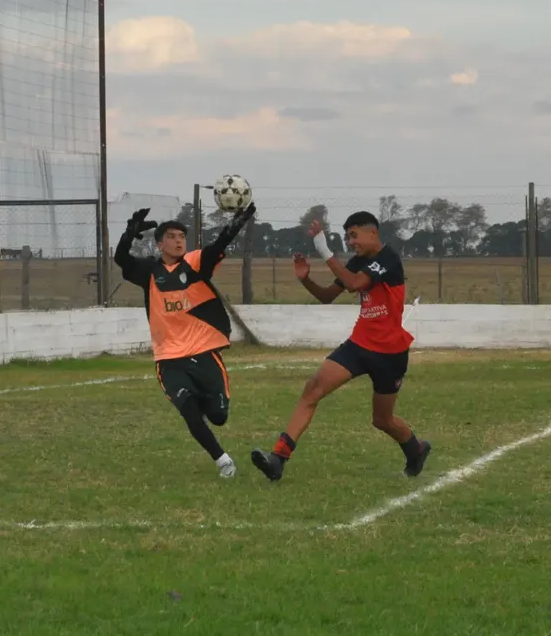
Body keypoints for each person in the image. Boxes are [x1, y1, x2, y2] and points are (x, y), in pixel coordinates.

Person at [250, 211, 431, 482]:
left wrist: (324, 250)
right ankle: (278, 458)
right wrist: (305, 280)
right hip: (359, 345)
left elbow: (354, 283)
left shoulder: (389, 259)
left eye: (354, 235)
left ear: (373, 233)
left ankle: (416, 450)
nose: (350, 242)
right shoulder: (359, 261)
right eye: (347, 237)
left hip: (390, 352)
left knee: (382, 420)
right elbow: (327, 296)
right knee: (313, 389)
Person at [114, 203, 256, 478]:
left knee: (218, 416)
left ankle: (202, 402)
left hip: (204, 351)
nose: (178, 241)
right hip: (168, 357)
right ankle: (223, 460)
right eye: (171, 237)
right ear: (159, 245)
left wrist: (235, 225)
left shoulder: (194, 264)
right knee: (188, 411)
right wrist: (129, 234)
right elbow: (122, 259)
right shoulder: (149, 272)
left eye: (181, 237)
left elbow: (217, 247)